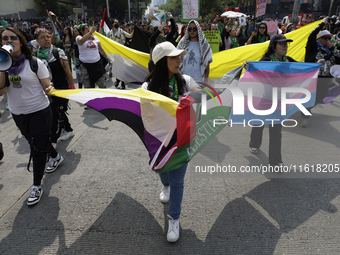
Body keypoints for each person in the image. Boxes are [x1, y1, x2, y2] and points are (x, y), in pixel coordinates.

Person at [141, 41, 200, 242]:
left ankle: (174, 219)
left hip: (181, 139)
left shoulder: (184, 81)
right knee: (162, 171)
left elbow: (199, 92)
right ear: (161, 61)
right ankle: (164, 186)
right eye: (174, 57)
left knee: (178, 181)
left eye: (179, 56)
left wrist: (192, 97)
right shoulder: (147, 87)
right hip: (159, 140)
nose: (179, 60)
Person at [0, 27, 63, 205]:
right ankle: (56, 157)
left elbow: (47, 85)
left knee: (37, 148)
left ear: (21, 42)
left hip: (40, 111)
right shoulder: (3, 65)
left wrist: (50, 89)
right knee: (33, 141)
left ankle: (36, 185)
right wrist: (2, 67)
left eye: (13, 38)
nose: (9, 41)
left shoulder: (35, 63)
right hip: (18, 113)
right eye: (5, 38)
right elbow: (0, 92)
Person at [246, 34, 295, 166]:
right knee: (258, 124)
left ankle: (276, 161)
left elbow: (304, 69)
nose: (285, 46)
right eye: (281, 44)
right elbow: (254, 68)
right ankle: (254, 143)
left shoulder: (288, 61)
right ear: (273, 47)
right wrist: (248, 65)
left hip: (280, 102)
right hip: (266, 99)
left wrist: (316, 65)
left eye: (286, 44)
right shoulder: (267, 61)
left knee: (276, 132)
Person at [35, 28, 75, 146]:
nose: (47, 39)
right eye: (43, 37)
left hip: (60, 89)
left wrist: (72, 88)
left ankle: (53, 140)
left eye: (48, 36)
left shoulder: (58, 52)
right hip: (45, 90)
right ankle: (68, 130)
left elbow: (68, 72)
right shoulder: (36, 56)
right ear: (37, 41)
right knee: (57, 112)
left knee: (54, 114)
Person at [302, 17, 340, 127]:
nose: (327, 40)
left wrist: (333, 48)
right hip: (312, 77)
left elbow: (338, 57)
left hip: (325, 78)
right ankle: (305, 114)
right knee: (310, 96)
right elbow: (311, 35)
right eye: (324, 38)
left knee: (321, 95)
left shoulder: (330, 49)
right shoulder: (313, 47)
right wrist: (322, 24)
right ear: (318, 39)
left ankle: (306, 108)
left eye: (329, 38)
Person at [76, 23, 112, 91]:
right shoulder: (78, 38)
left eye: (88, 28)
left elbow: (101, 49)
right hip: (85, 67)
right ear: (82, 31)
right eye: (86, 28)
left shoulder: (95, 38)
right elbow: (82, 41)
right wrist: (90, 32)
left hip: (97, 66)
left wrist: (108, 59)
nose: (88, 29)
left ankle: (105, 100)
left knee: (102, 86)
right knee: (88, 88)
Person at [177, 20, 213, 85]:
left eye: (194, 29)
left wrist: (206, 81)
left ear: (198, 30)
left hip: (199, 81)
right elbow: (177, 61)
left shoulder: (204, 45)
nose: (192, 31)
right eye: (190, 29)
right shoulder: (182, 44)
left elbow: (207, 65)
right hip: (184, 81)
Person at [107, 19, 133, 89]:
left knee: (122, 68)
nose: (117, 23)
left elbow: (130, 36)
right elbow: (106, 41)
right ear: (112, 24)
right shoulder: (109, 33)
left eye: (118, 22)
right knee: (116, 68)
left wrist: (135, 30)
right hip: (114, 54)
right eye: (115, 22)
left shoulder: (121, 31)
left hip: (121, 53)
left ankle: (123, 82)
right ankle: (118, 80)